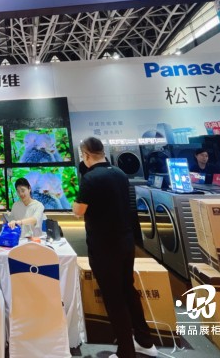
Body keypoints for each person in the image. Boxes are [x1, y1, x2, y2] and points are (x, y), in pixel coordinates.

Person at [72, 137, 157, 358]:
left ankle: (126, 352)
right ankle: (145, 342)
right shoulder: (119, 173)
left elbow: (78, 211)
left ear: (86, 155)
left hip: (104, 246)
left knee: (113, 297)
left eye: (82, 155)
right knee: (128, 289)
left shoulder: (90, 179)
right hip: (126, 242)